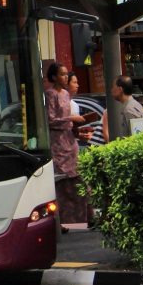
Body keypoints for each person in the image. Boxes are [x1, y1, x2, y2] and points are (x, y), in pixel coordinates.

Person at [45, 62, 88, 231]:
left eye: (66, 74)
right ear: (54, 77)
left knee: (78, 181)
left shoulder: (65, 94)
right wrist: (71, 119)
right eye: (62, 74)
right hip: (58, 143)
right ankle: (62, 223)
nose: (65, 77)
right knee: (63, 185)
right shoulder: (50, 94)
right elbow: (50, 120)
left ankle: (78, 222)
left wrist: (76, 128)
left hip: (70, 141)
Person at [101, 75, 143, 141]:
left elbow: (135, 140)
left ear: (120, 89)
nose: (111, 90)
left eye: (113, 87)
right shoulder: (135, 104)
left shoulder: (129, 110)